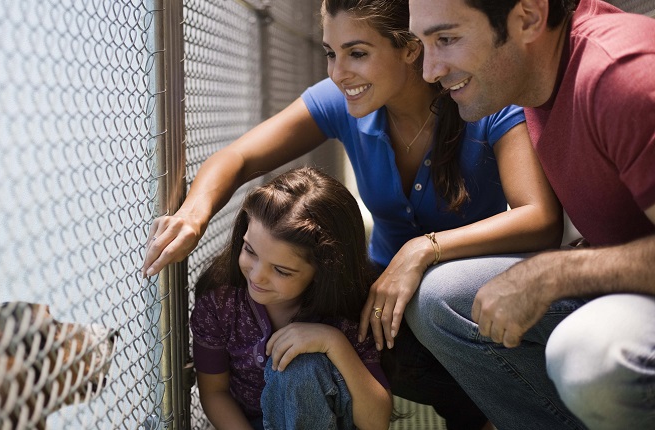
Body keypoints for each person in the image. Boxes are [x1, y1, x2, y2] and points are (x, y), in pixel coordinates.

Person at [143, 0, 563, 428]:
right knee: (365, 334)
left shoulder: (482, 96)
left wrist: (422, 251)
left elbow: (540, 218)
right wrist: (194, 215)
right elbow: (239, 157)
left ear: (411, 49)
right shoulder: (341, 100)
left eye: (357, 53)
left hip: (471, 299)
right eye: (330, 52)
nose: (337, 72)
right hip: (385, 305)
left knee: (429, 304)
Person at [407, 0, 655, 429]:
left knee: (591, 357)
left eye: (446, 39)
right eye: (422, 43)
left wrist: (556, 272)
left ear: (528, 18)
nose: (430, 71)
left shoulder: (622, 77)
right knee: (440, 300)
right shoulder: (533, 80)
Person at [190, 167, 392, 430]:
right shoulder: (220, 303)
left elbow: (377, 422)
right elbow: (214, 392)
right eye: (250, 250)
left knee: (302, 368)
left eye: (281, 270)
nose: (258, 276)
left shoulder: (350, 311)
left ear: (324, 272)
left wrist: (333, 342)